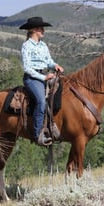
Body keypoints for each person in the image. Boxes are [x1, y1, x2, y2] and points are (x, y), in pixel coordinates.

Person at [19, 17, 64, 146]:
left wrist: (55, 65)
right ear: (34, 30)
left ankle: (52, 125)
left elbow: (48, 61)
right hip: (33, 78)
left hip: (46, 74)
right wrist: (43, 78)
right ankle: (38, 133)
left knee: (60, 93)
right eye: (40, 28)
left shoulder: (43, 45)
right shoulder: (26, 46)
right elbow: (27, 68)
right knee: (40, 100)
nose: (43, 30)